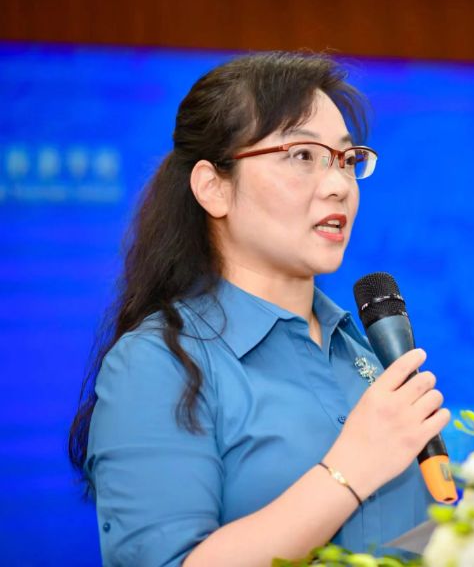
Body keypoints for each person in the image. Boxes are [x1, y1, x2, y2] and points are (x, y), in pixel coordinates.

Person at [67, 51, 451, 566]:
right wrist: (350, 469)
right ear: (214, 188)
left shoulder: (364, 352)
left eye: (346, 159)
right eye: (303, 156)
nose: (339, 185)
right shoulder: (158, 363)